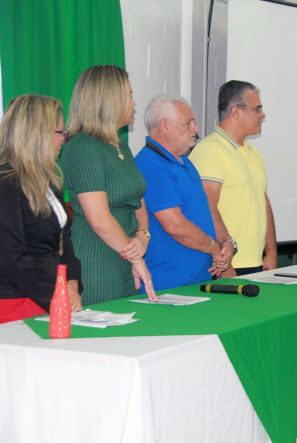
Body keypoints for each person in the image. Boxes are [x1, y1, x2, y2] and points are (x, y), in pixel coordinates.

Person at [60, 65, 157, 304]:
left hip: (125, 256)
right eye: (129, 95)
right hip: (97, 263)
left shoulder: (119, 145)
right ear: (110, 100)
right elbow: (99, 219)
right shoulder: (83, 146)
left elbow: (138, 204)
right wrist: (135, 257)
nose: (134, 102)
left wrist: (142, 238)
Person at [134, 95, 235, 290]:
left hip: (199, 282)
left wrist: (226, 243)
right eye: (188, 123)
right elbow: (175, 225)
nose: (196, 130)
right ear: (165, 126)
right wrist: (214, 248)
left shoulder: (186, 163)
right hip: (168, 287)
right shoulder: (150, 165)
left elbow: (208, 210)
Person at [0, 95, 82, 323]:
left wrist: (72, 282)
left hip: (48, 297)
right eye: (60, 132)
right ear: (38, 134)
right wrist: (55, 293)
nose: (63, 139)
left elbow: (64, 241)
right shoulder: (5, 182)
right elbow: (10, 258)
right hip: (15, 302)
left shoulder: (47, 181)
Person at [190, 80, 277, 276]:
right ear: (236, 111)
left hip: (255, 263)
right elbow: (205, 209)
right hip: (226, 266)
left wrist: (270, 252)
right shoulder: (211, 150)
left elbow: (262, 202)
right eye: (258, 109)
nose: (263, 115)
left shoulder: (253, 153)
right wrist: (225, 266)